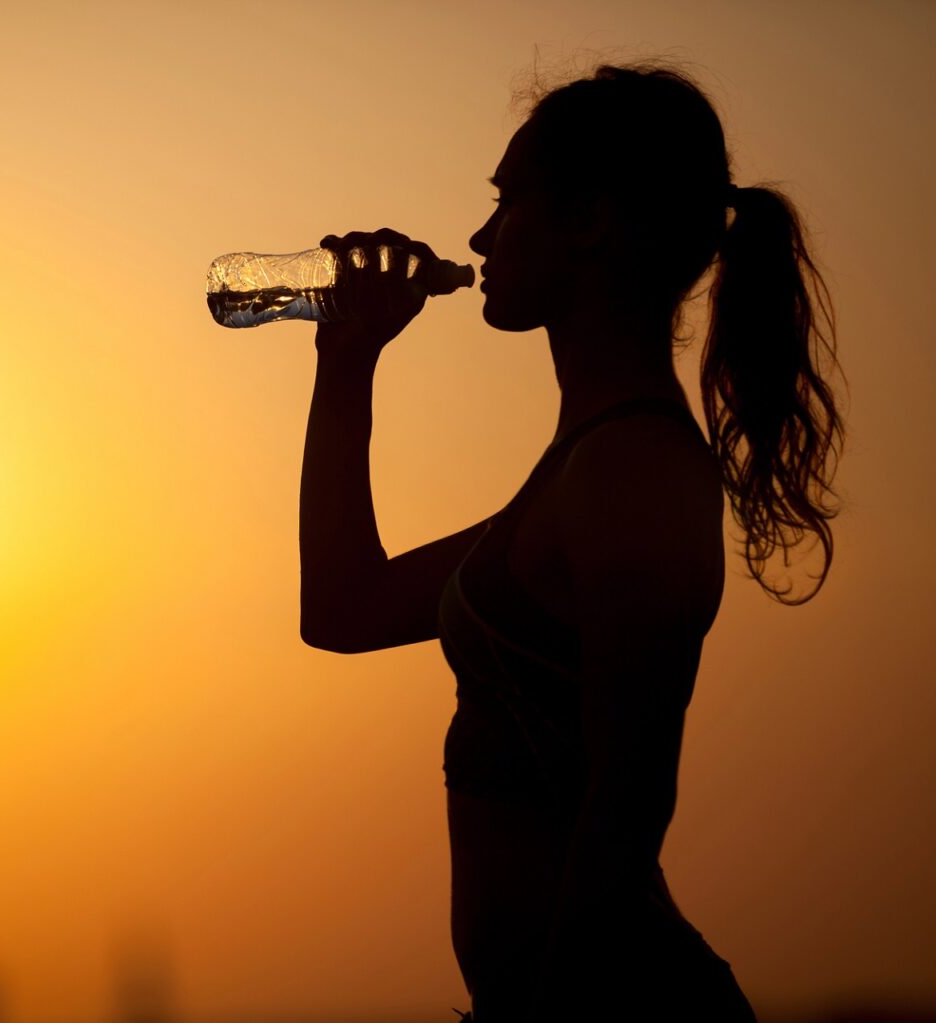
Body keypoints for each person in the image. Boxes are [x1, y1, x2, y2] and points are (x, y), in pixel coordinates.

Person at [297, 61, 844, 1022]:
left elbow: (628, 806)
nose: (478, 236)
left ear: (589, 221)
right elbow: (342, 610)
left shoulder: (630, 471)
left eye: (507, 201)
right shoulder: (583, 468)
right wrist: (345, 366)